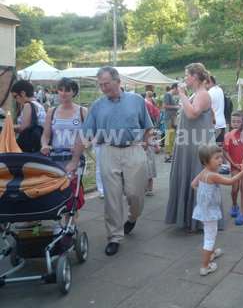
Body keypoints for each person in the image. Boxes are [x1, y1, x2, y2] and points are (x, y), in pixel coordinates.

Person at [66, 66, 153, 257]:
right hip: (108, 151)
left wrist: (147, 141)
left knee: (135, 194)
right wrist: (74, 160)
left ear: (117, 81)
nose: (103, 88)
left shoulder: (137, 100)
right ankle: (114, 237)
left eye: (106, 84)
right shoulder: (97, 105)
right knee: (112, 198)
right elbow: (84, 133)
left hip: (134, 150)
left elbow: (147, 126)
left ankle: (132, 217)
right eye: (101, 85)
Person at [165, 63, 217, 232]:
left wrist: (181, 94)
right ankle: (189, 217)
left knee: (197, 178)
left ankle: (199, 221)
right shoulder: (196, 94)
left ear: (194, 77)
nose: (184, 78)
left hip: (197, 145)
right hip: (190, 143)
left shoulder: (202, 94)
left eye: (186, 75)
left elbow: (193, 113)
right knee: (190, 177)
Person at [192, 144, 243, 276]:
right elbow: (231, 181)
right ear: (206, 162)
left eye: (220, 157)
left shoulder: (203, 172)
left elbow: (193, 184)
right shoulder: (213, 175)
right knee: (210, 237)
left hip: (203, 209)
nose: (220, 160)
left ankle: (211, 253)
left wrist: (203, 194)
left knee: (209, 232)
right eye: (216, 158)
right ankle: (205, 266)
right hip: (210, 211)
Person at [40, 78, 88, 213]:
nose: (63, 93)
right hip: (55, 158)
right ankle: (59, 217)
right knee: (56, 189)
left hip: (75, 158)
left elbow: (89, 135)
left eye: (67, 90)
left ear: (74, 92)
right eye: (60, 90)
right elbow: (46, 135)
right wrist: (44, 145)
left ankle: (71, 219)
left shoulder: (82, 111)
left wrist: (79, 146)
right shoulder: (52, 111)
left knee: (72, 188)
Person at [223, 111, 243, 225]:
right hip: (234, 166)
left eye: (238, 121)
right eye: (233, 121)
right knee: (235, 189)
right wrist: (233, 164)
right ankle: (235, 205)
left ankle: (242, 213)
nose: (235, 123)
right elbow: (225, 152)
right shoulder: (228, 135)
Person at [11, 80, 46, 152]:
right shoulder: (38, 105)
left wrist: (8, 126)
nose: (15, 100)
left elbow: (23, 128)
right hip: (38, 144)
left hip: (30, 146)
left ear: (23, 93)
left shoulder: (28, 105)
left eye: (15, 96)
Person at [207, 75, 226, 144]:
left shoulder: (209, 93)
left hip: (213, 124)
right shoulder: (220, 90)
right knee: (219, 148)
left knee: (211, 149)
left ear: (210, 82)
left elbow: (209, 109)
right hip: (222, 123)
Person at [163, 83, 180, 163]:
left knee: (171, 137)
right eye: (178, 89)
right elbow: (165, 106)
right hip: (169, 119)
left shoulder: (170, 95)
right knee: (169, 137)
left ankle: (169, 154)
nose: (178, 91)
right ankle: (167, 155)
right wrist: (176, 107)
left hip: (172, 119)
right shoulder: (168, 94)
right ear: (175, 88)